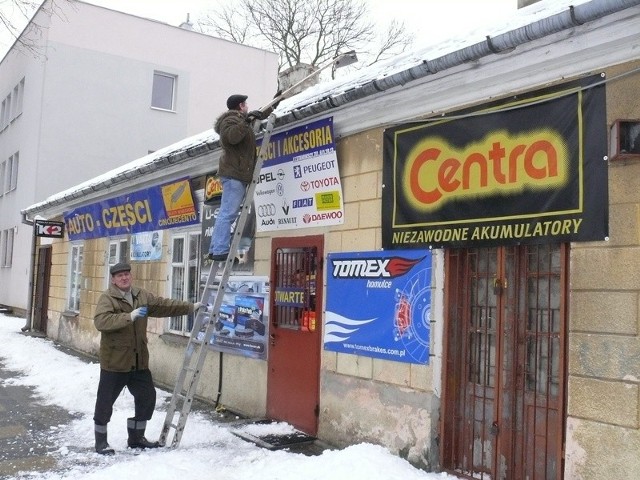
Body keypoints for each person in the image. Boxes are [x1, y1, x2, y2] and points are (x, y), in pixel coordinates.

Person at [93, 262, 203, 455]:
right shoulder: (107, 298)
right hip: (115, 363)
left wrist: (191, 307)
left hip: (138, 361)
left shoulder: (140, 295)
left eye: (127, 274)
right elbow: (101, 322)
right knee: (105, 403)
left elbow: (163, 306)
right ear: (113, 280)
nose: (124, 278)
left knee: (147, 398)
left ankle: (136, 439)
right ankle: (101, 442)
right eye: (120, 276)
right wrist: (130, 316)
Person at [207, 94, 272, 262]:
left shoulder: (239, 121)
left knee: (225, 213)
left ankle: (216, 248)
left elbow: (257, 117)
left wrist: (275, 101)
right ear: (240, 106)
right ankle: (221, 249)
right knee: (228, 214)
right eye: (246, 104)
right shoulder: (230, 121)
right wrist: (245, 122)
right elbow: (232, 137)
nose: (248, 106)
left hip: (236, 174)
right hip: (234, 174)